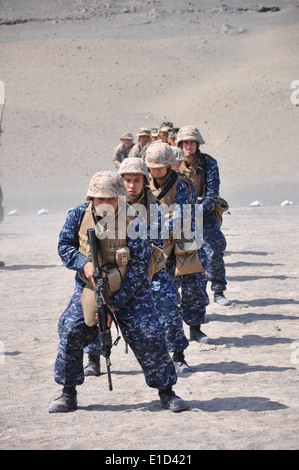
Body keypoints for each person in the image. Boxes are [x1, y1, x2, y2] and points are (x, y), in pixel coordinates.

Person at [49, 171, 188, 413]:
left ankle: (166, 391)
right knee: (70, 330)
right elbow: (65, 247)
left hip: (130, 289)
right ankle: (68, 392)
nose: (105, 204)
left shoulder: (134, 221)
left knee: (150, 333)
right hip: (91, 285)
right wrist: (84, 264)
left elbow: (138, 269)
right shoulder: (77, 215)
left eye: (111, 199)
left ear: (120, 199)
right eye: (99, 199)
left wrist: (114, 306)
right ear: (90, 198)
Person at [118, 157, 193, 374]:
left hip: (147, 267)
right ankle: (94, 357)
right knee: (95, 305)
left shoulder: (154, 207)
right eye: (127, 180)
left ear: (145, 181)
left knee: (169, 303)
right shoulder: (110, 202)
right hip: (116, 268)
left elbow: (155, 240)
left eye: (137, 180)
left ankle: (178, 355)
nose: (131, 185)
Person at [145, 142, 210, 343]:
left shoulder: (182, 185)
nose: (156, 171)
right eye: (152, 167)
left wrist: (152, 228)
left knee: (193, 287)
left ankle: (195, 327)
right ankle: (168, 337)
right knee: (164, 295)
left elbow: (181, 218)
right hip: (158, 248)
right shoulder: (143, 184)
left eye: (161, 166)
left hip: (183, 242)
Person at [177, 126, 231, 306]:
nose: (188, 146)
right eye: (185, 143)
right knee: (177, 254)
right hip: (181, 215)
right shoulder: (176, 164)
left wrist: (198, 212)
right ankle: (175, 293)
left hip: (204, 212)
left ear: (198, 144)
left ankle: (218, 290)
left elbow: (212, 193)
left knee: (214, 249)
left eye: (192, 142)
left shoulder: (208, 163)